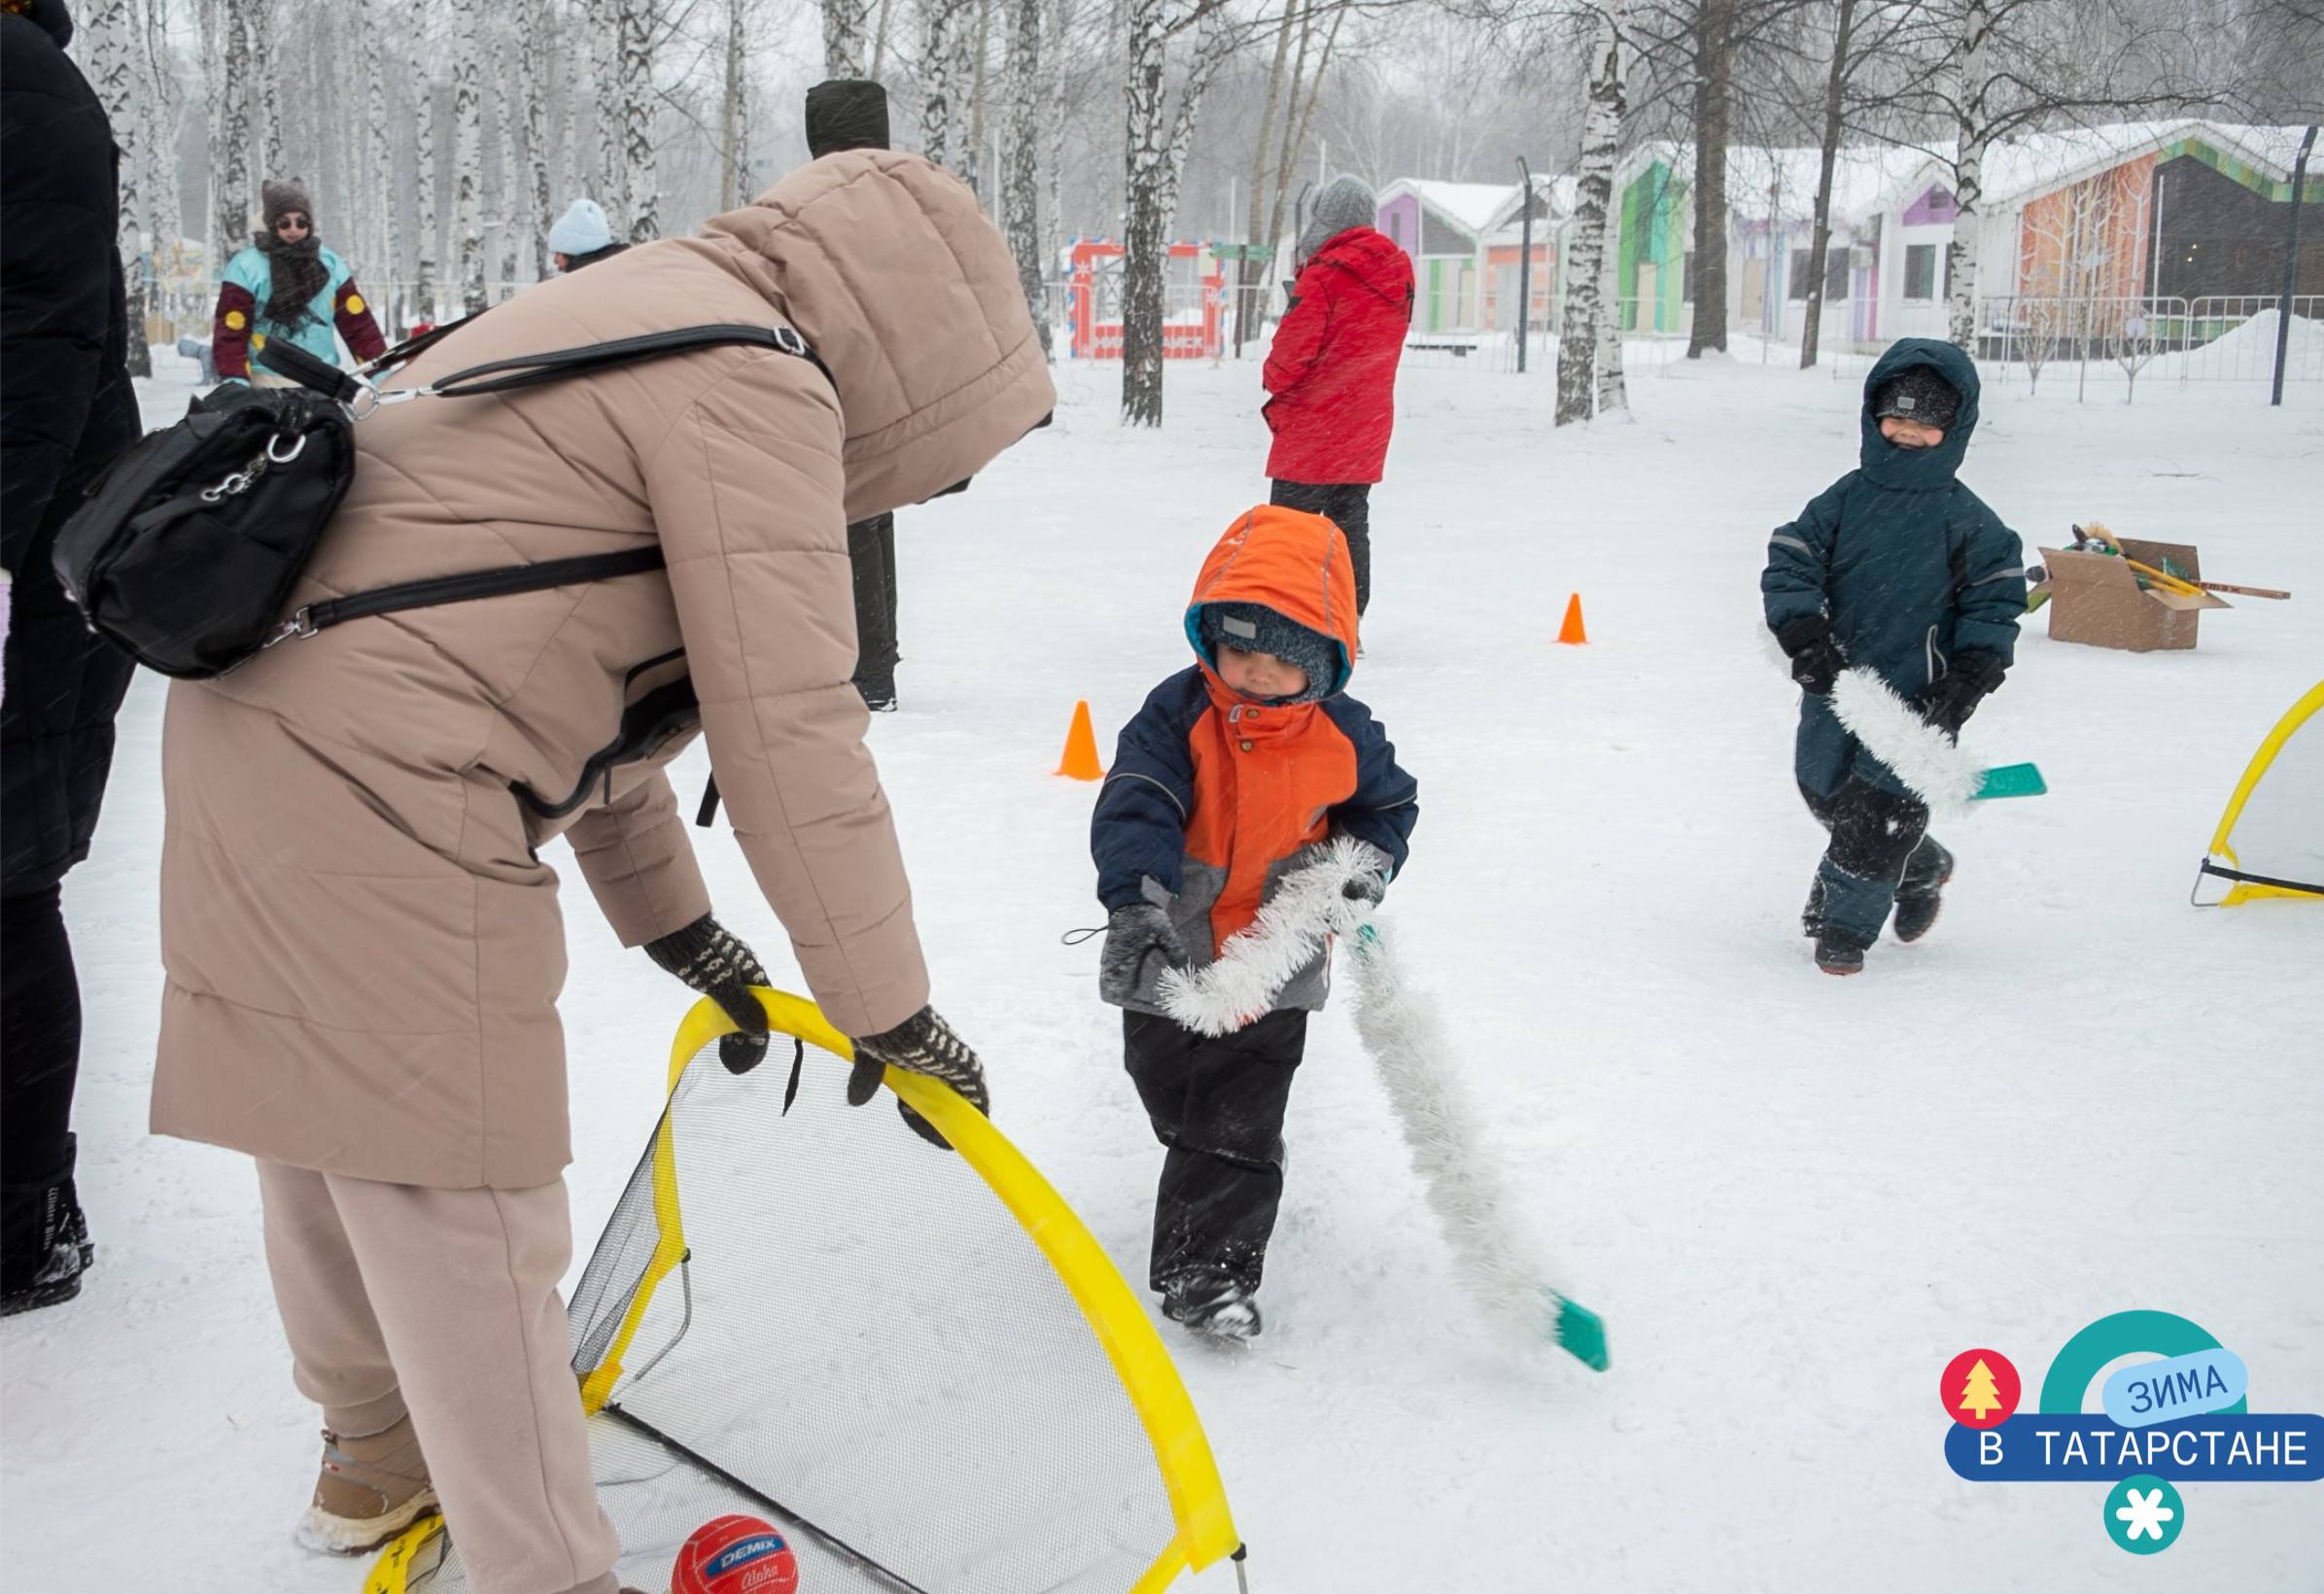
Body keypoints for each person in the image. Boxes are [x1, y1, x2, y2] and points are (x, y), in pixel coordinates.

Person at [150, 150, 1054, 1593]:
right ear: (925, 355)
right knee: (464, 1196)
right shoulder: (756, 376)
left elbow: (571, 666)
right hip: (389, 780)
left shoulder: (630, 309)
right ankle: (549, 1572)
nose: (931, 485)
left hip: (247, 720)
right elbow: (789, 728)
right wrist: (890, 1008)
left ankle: (375, 1453)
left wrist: (678, 928)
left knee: (320, 1128)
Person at [1091, 504, 1418, 1341]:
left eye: (1282, 659)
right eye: (1239, 648)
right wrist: (1133, 900)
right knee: (1170, 1092)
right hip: (1175, 942)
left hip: (1280, 956)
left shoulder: (1346, 733)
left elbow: (1388, 808)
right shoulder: (1176, 713)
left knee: (1237, 1113)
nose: (1256, 673)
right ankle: (1213, 1153)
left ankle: (1209, 1269)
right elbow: (1138, 803)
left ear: (1324, 661)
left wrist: (1362, 872)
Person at [1, 0, 144, 1317]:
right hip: (30, 570)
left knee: (5, 889)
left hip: (24, 585)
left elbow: (36, 346)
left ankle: (24, 1214)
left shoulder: (25, 91)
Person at [1761, 338, 2027, 977]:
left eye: (1925, 422)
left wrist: (1968, 678)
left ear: (1954, 427)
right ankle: (1923, 863)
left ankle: (1843, 929)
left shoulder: (1970, 522)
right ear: (1873, 417)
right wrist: (1803, 634)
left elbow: (1994, 604)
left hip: (1920, 693)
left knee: (1880, 811)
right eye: (1896, 417)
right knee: (1822, 785)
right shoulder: (1844, 500)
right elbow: (1791, 559)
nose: (1907, 432)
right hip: (1840, 679)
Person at [1261, 175, 1412, 619]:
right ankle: (1347, 618)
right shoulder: (1398, 273)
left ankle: (1284, 616)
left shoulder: (1325, 275)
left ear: (1327, 218)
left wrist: (1271, 375)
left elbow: (1288, 362)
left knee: (1289, 530)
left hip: (1313, 427)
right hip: (1365, 424)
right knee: (1350, 524)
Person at [806, 77, 903, 710]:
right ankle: (876, 666)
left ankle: (865, 672)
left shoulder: (815, 203)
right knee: (872, 519)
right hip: (886, 376)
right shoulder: (904, 196)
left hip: (836, 376)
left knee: (848, 524)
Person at [211, 178, 387, 383]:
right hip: (266, 378)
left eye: (301, 222)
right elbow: (232, 329)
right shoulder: (245, 266)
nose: (293, 229)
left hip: (321, 378)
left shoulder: (331, 264)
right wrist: (234, 378)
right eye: (284, 223)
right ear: (270, 223)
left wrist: (380, 370)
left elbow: (358, 325)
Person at [548, 197, 628, 275]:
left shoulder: (582, 282)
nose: (555, 260)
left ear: (576, 248)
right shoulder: (627, 267)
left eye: (558, 253)